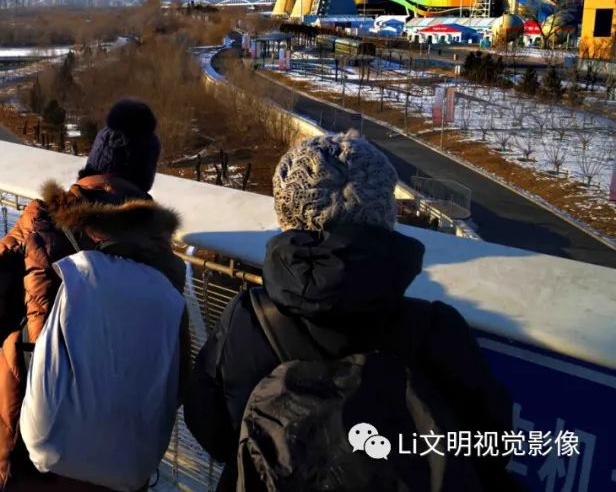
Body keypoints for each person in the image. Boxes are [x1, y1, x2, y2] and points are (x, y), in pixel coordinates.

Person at [185, 131, 515, 491]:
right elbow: (491, 447)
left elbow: (213, 431)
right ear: (385, 216)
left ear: (286, 216)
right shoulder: (438, 329)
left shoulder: (251, 319)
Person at [0, 99, 186, 491]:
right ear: (145, 180)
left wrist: (33, 340)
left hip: (28, 420)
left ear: (93, 163)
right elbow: (175, 372)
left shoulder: (44, 219)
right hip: (115, 444)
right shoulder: (164, 260)